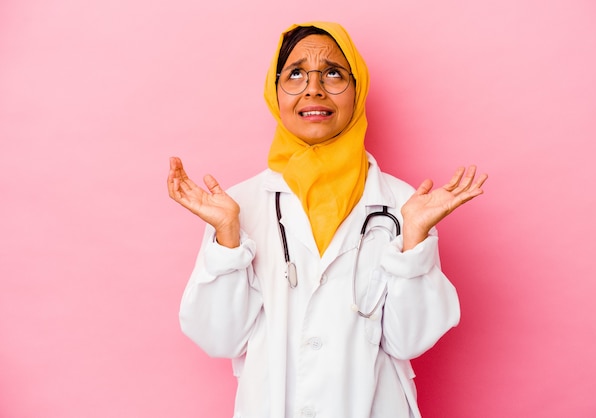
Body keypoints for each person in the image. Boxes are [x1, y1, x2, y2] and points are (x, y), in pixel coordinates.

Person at [167, 21, 487, 418]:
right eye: (296, 73)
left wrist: (414, 242)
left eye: (333, 73)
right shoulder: (235, 207)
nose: (314, 88)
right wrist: (228, 240)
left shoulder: (404, 205)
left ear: (358, 90)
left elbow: (410, 341)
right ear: (274, 91)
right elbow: (220, 339)